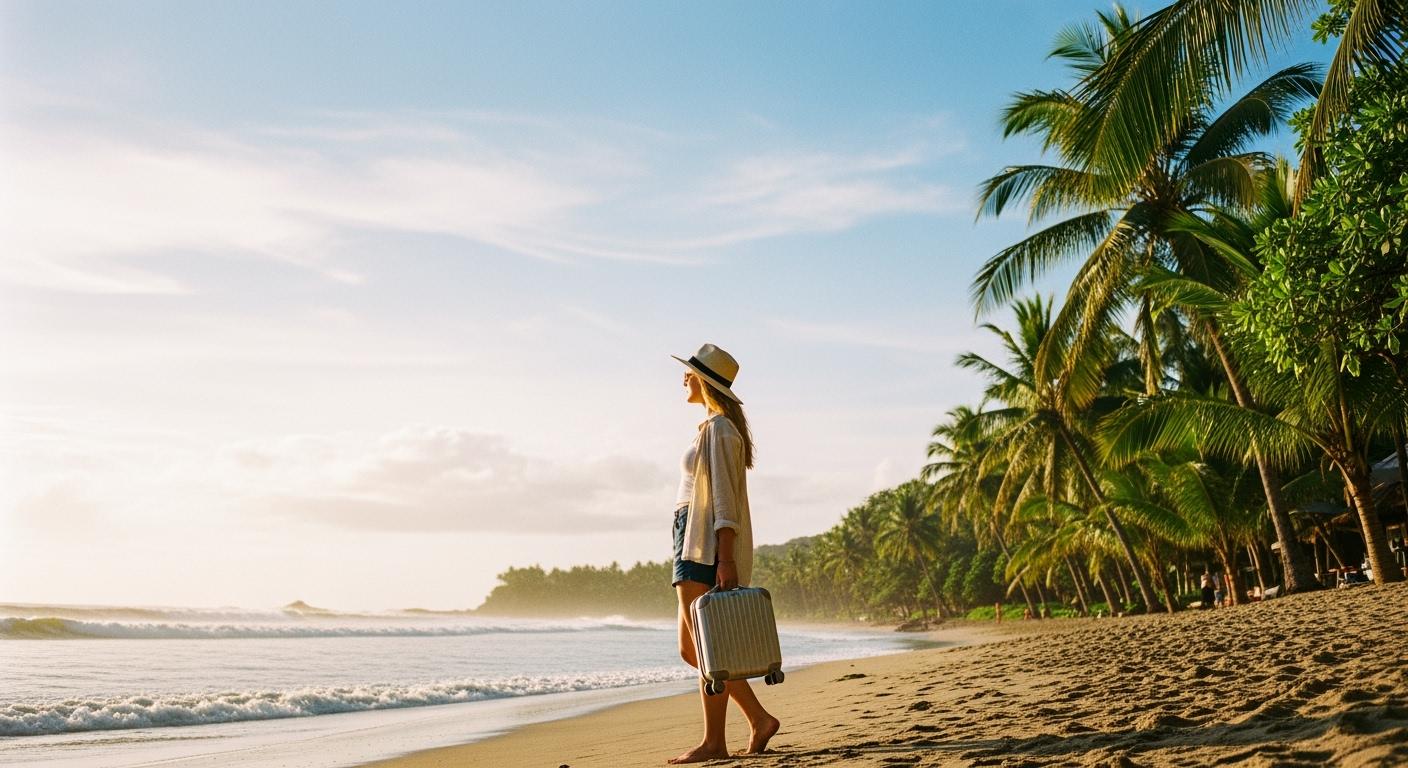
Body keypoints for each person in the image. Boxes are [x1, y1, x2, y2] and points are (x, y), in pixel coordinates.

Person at [668, 343, 780, 764]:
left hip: (703, 542)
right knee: (693, 648)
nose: (684, 377)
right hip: (690, 536)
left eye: (690, 372)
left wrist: (727, 558)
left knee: (705, 645)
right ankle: (758, 719)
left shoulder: (721, 430)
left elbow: (724, 502)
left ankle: (716, 741)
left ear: (704, 381)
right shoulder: (711, 428)